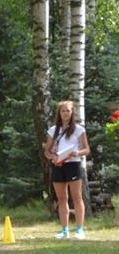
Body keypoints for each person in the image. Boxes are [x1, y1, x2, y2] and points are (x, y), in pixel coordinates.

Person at [43, 100, 90, 239]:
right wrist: (53, 157)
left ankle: (79, 230)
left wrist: (77, 153)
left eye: (68, 111)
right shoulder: (53, 130)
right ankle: (64, 230)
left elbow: (86, 149)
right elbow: (47, 152)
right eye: (62, 111)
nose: (65, 113)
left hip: (73, 165)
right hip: (58, 165)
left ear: (72, 112)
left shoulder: (79, 129)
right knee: (62, 198)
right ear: (59, 113)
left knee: (77, 197)